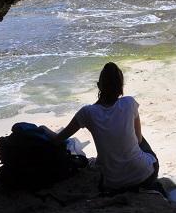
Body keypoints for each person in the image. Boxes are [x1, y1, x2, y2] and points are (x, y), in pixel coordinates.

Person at [43, 62, 161, 196]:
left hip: (115, 185)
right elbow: (139, 140)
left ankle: (104, 161)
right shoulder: (129, 103)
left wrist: (43, 128)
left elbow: (57, 140)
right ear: (121, 87)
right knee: (135, 135)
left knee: (108, 134)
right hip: (145, 176)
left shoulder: (87, 113)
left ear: (99, 86)